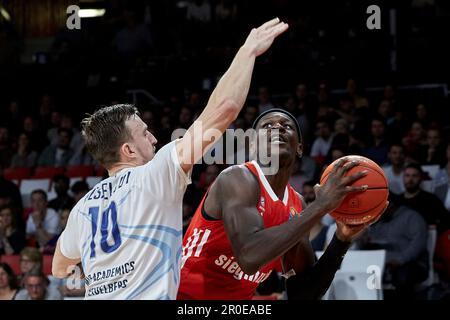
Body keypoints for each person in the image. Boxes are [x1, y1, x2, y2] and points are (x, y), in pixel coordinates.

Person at [51, 18, 290, 300]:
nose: (153, 138)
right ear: (128, 150)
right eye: (144, 133)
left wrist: (105, 276)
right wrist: (247, 52)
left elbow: (59, 267)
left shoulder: (82, 208)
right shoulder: (155, 174)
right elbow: (224, 109)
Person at [178, 109, 385, 300]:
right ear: (252, 146)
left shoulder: (297, 205)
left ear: (300, 148)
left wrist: (342, 239)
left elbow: (302, 294)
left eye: (286, 126)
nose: (277, 127)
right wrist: (320, 206)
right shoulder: (237, 178)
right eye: (267, 126)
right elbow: (249, 257)